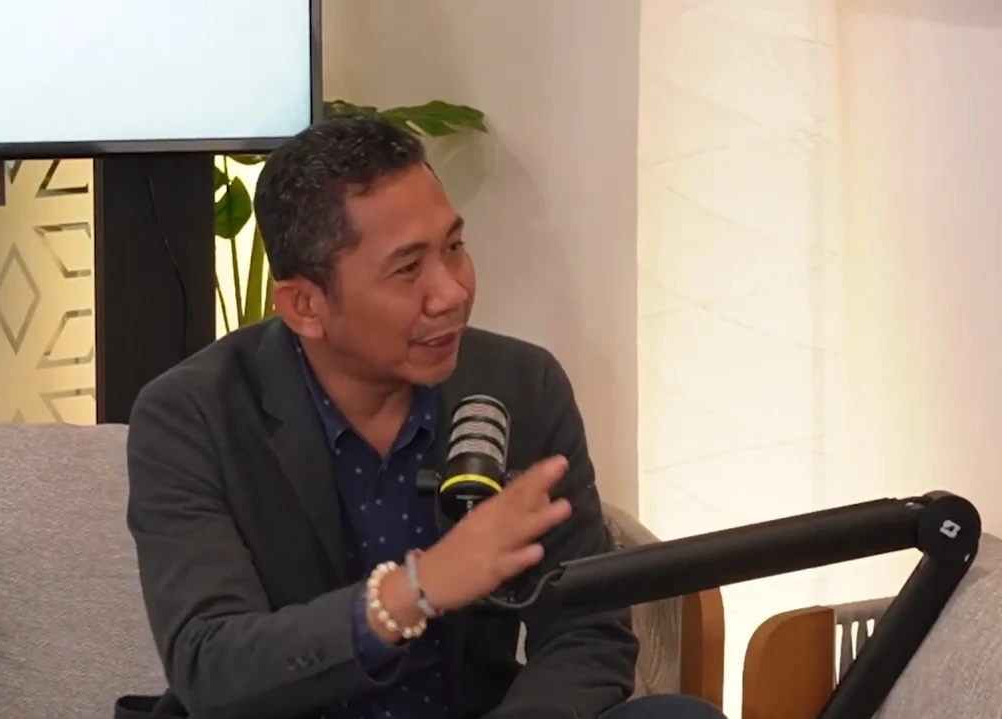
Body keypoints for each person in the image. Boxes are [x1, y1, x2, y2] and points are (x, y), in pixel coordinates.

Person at [122, 117, 727, 719]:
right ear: (305, 305)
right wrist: (416, 589)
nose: (452, 293)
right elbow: (213, 663)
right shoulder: (193, 416)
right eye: (408, 269)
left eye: (454, 248)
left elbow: (587, 632)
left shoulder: (521, 384)